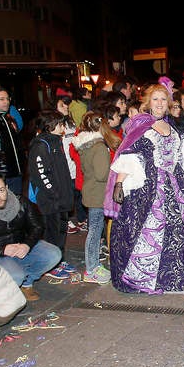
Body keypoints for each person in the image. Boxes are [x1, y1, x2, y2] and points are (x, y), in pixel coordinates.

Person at [104, 83, 184, 293]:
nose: (160, 103)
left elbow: (181, 154)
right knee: (153, 230)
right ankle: (148, 277)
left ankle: (178, 275)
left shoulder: (172, 126)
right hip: (151, 187)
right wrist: (119, 182)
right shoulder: (140, 125)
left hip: (176, 183)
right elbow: (130, 155)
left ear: (168, 104)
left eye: (163, 100)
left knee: (180, 230)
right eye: (155, 100)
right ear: (148, 103)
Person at [0, 169, 62, 301]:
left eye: (1, 190)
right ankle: (5, 287)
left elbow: (37, 226)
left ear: (7, 188)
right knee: (16, 275)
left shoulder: (21, 202)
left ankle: (26, 283)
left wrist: (27, 245)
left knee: (54, 254)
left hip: (21, 246)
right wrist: (2, 250)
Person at [73, 111, 120, 285]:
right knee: (94, 232)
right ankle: (91, 268)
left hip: (91, 191)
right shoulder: (99, 146)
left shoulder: (85, 144)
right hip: (98, 194)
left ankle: (93, 265)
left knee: (94, 230)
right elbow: (102, 174)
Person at [27, 110, 74, 279]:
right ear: (50, 125)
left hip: (61, 197)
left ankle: (59, 259)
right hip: (50, 200)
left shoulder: (56, 141)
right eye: (60, 123)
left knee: (61, 230)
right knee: (51, 232)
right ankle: (49, 265)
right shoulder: (41, 145)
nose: (63, 127)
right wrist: (54, 193)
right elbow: (41, 174)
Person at [53, 96, 85, 235]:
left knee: (78, 195)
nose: (66, 107)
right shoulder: (54, 126)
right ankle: (64, 222)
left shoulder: (71, 123)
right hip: (64, 168)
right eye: (62, 106)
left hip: (75, 166)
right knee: (66, 197)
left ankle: (82, 220)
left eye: (66, 105)